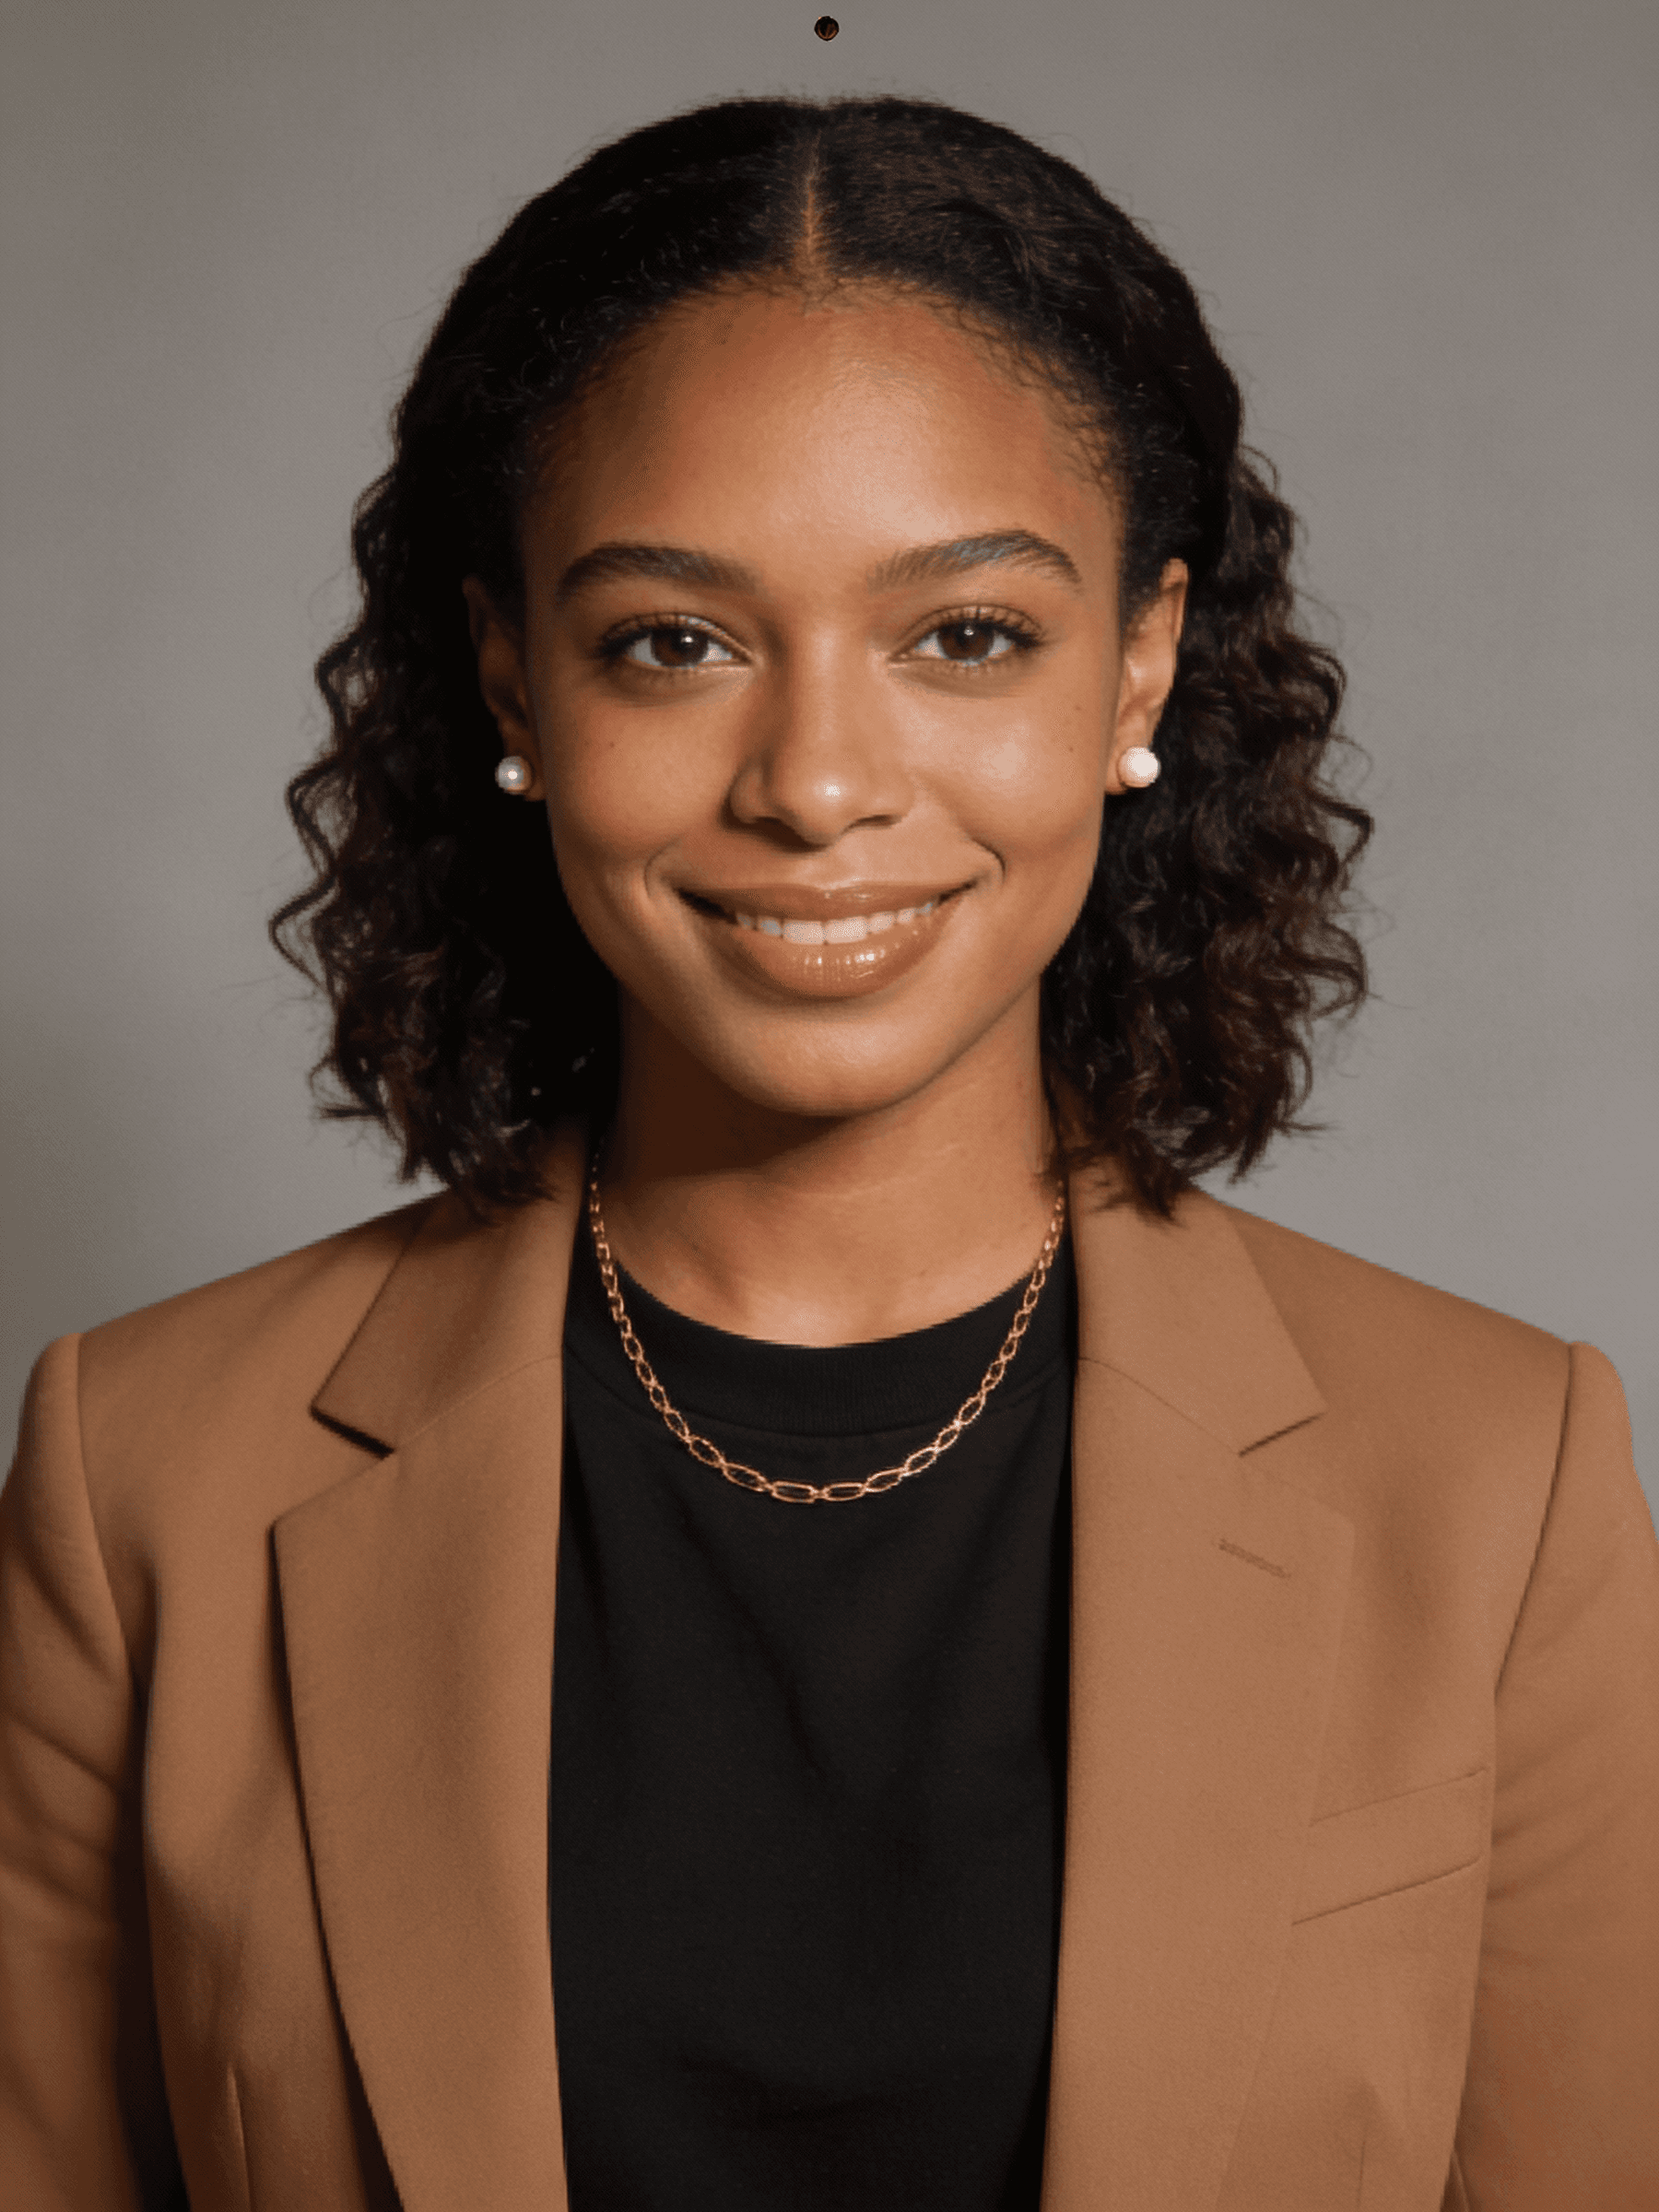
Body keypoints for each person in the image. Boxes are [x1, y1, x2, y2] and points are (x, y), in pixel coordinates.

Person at [1, 88, 1653, 2212]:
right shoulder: (144, 1479)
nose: (818, 782)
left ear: (1138, 657)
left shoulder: (1495, 1484)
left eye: (965, 634)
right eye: (671, 641)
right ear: (514, 673)